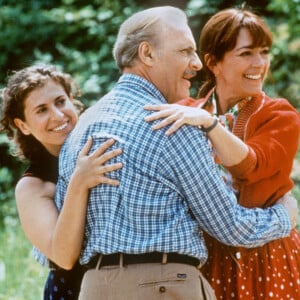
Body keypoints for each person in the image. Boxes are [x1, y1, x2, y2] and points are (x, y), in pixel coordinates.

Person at [53, 6, 298, 300]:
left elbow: (65, 250)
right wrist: (284, 216)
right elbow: (230, 226)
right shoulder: (175, 124)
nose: (196, 64)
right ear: (147, 54)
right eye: (184, 51)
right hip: (167, 285)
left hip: (95, 288)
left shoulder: (81, 128)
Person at [144, 7, 300, 300]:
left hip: (266, 258)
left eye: (264, 52)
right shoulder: (186, 112)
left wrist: (210, 125)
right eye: (246, 53)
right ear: (213, 62)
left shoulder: (280, 114)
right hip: (201, 258)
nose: (259, 63)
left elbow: (252, 167)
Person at [0, 64, 123, 299]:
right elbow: (63, 257)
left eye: (60, 102)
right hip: (71, 291)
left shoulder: (107, 146)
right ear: (22, 125)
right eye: (41, 110)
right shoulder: (32, 186)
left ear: (72, 100)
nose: (57, 116)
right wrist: (79, 182)